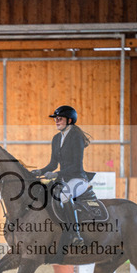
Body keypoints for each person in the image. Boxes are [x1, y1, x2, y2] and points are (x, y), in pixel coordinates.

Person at [32, 105, 91, 247]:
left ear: (69, 120)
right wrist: (40, 171)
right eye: (56, 119)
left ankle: (75, 234)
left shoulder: (76, 137)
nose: (57, 121)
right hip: (63, 179)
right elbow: (53, 164)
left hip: (78, 179)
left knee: (64, 196)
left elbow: (76, 165)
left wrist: (56, 174)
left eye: (60, 119)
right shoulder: (56, 138)